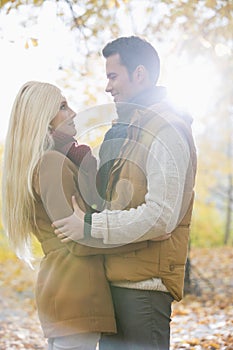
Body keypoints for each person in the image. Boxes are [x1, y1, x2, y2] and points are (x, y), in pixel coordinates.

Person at [52, 36, 197, 350]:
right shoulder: (125, 130)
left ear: (140, 74)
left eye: (113, 76)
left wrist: (90, 227)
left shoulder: (166, 128)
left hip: (143, 293)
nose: (107, 87)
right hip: (113, 285)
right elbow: (106, 198)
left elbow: (160, 216)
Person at [2, 81, 143, 350]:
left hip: (68, 290)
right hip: (76, 292)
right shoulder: (51, 163)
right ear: (44, 119)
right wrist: (145, 237)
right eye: (63, 107)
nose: (74, 113)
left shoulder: (53, 160)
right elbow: (77, 239)